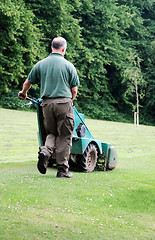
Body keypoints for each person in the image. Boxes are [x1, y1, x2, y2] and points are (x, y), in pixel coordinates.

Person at [18, 37, 79, 178]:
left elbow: (27, 82)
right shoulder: (69, 66)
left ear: (52, 47)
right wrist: (70, 101)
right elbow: (74, 90)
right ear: (63, 49)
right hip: (64, 103)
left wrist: (23, 93)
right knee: (64, 136)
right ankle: (62, 170)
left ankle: (45, 152)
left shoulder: (40, 64)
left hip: (46, 104)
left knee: (51, 133)